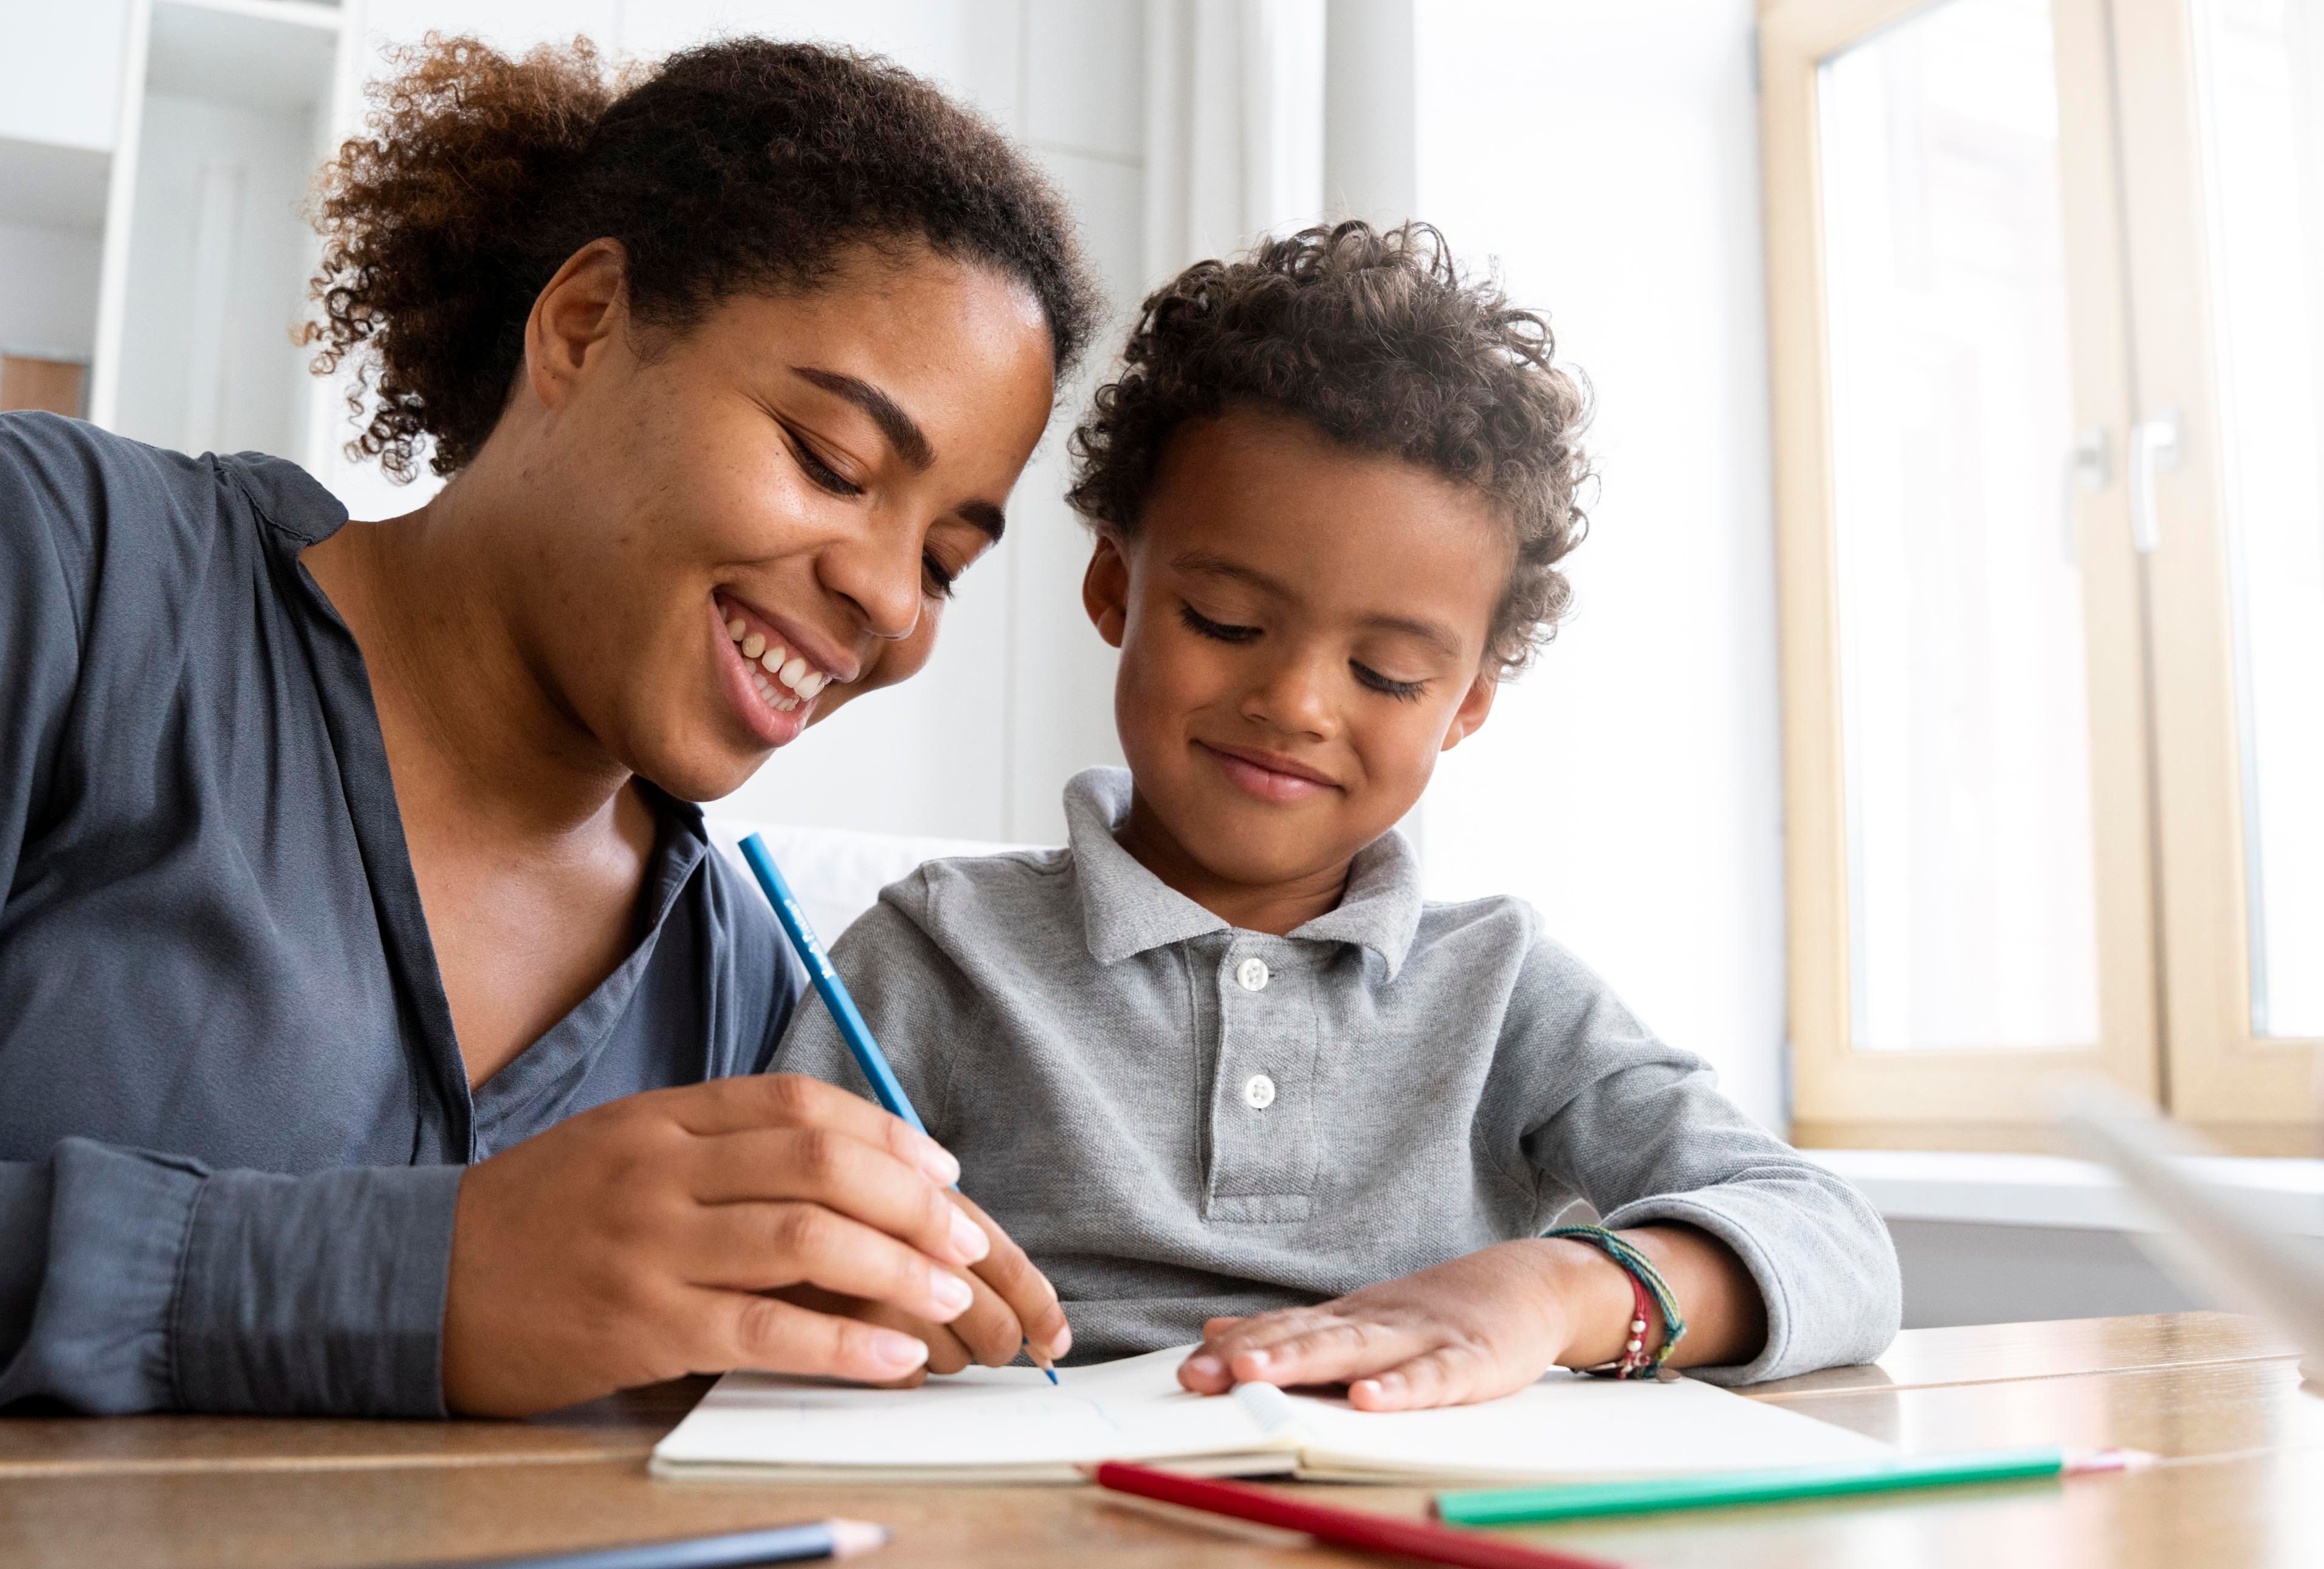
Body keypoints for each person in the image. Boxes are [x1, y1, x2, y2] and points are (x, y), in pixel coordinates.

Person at [0, 35, 1094, 1418]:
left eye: (947, 563)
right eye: (832, 463)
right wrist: (411, 1279)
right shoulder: (62, 568)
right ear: (585, 324)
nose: (888, 600)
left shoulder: (730, 980)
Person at [771, 222, 1902, 1405]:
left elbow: (1836, 1246)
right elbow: (772, 1276)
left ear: (1465, 703)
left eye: (1389, 675)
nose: (1295, 704)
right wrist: (855, 1292)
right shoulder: (937, 952)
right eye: (1223, 621)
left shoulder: (1504, 989)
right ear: (1116, 587)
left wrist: (1554, 1293)